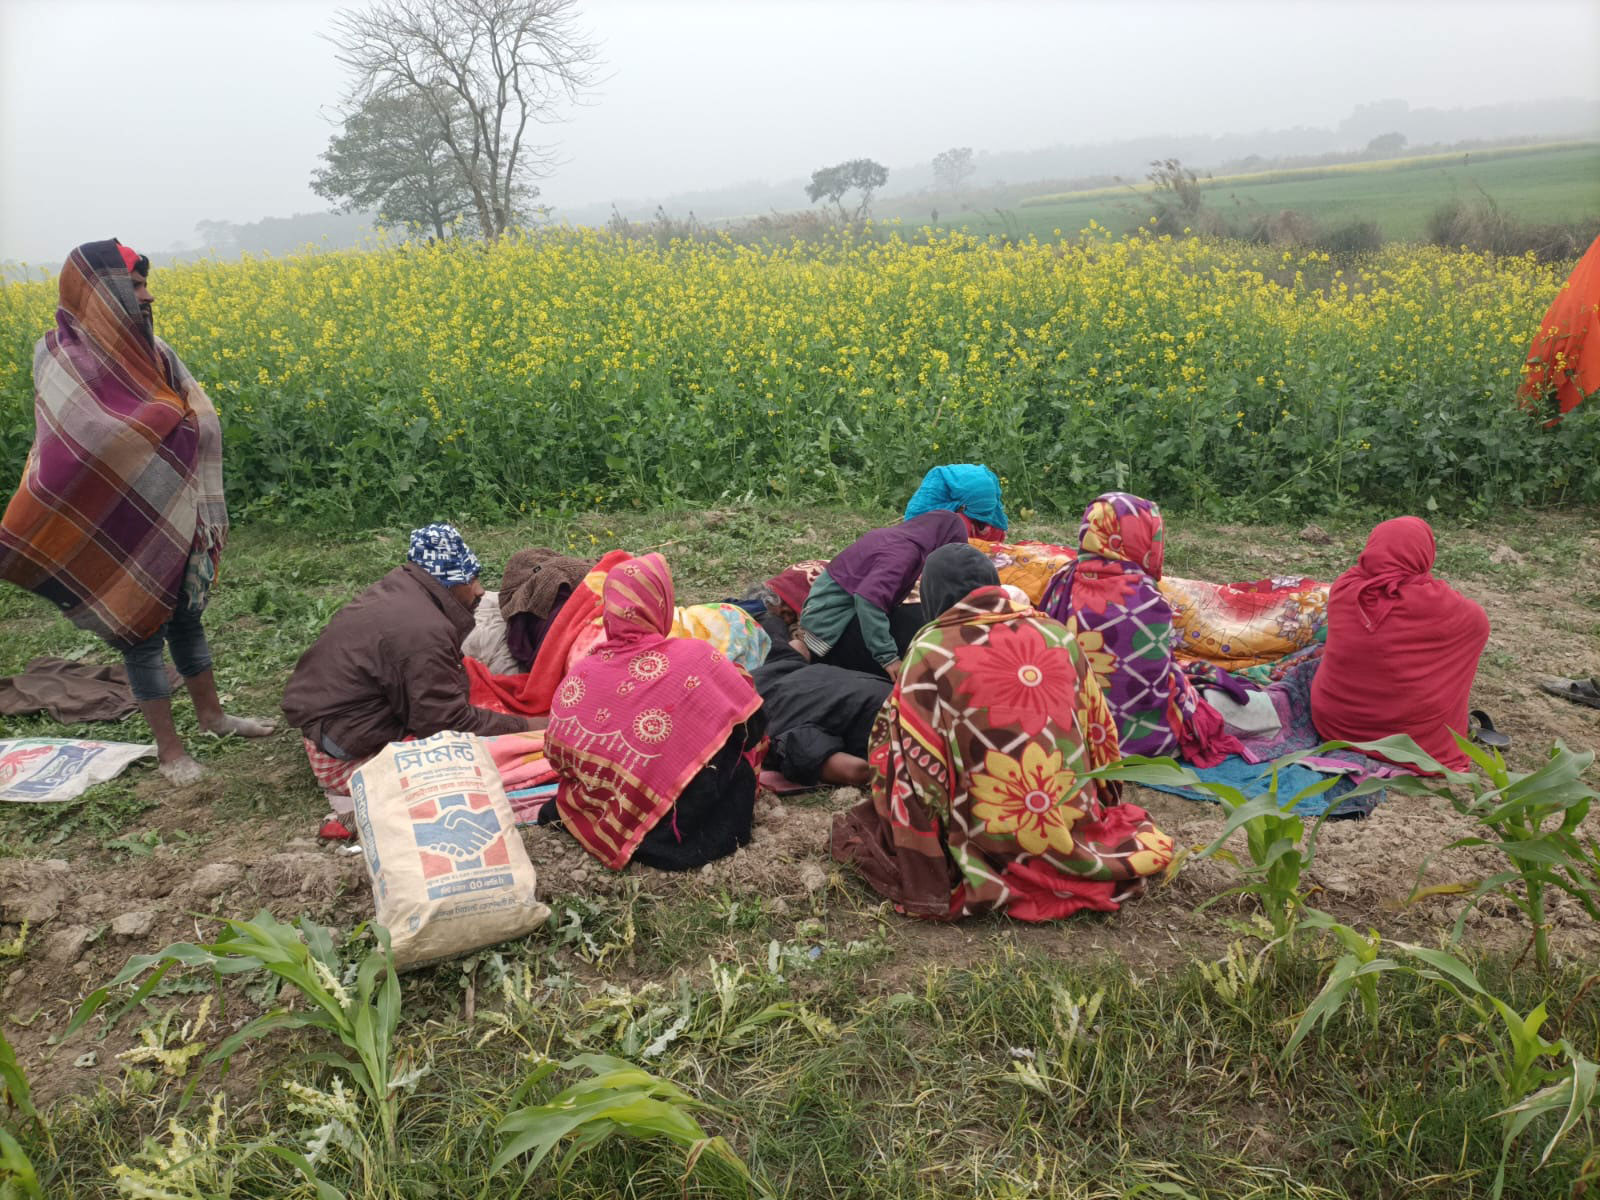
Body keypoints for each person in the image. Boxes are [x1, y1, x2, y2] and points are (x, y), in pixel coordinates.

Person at [0, 240, 274, 784]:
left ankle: (214, 716)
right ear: (101, 292)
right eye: (136, 286)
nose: (146, 297)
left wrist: (175, 424)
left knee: (187, 617)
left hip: (174, 508)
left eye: (146, 285)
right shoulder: (60, 351)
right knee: (142, 630)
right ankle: (171, 751)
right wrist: (166, 422)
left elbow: (193, 413)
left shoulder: (154, 350)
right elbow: (86, 434)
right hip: (107, 514)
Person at [831, 544, 1174, 920]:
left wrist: (919, 838)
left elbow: (915, 765)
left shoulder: (931, 649)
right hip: (1069, 815)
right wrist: (1102, 803)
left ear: (932, 594)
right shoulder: (1058, 634)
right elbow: (1101, 737)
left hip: (988, 828)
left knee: (892, 738)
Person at [546, 553, 766, 871]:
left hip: (592, 811)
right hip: (670, 835)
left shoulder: (582, 670)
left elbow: (557, 754)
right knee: (735, 718)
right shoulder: (697, 657)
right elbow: (753, 726)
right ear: (661, 604)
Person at [282, 524, 536, 783]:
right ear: (448, 584)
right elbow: (445, 723)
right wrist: (529, 727)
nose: (479, 590)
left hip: (329, 718)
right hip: (342, 751)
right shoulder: (424, 633)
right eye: (470, 580)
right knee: (473, 766)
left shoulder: (403, 585)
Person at [1041, 492, 1241, 767]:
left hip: (1069, 735)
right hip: (1142, 740)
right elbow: (1155, 680)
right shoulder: (1143, 598)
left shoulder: (1062, 581)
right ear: (1136, 537)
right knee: (1240, 707)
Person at [1311, 517, 1489, 771]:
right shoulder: (1460, 613)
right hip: (1413, 746)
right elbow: (1477, 631)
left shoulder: (1346, 588)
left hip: (1337, 727)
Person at [797, 510, 971, 678]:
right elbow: (868, 600)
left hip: (822, 608)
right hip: (829, 625)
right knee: (913, 636)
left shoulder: (892, 537)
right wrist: (888, 659)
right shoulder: (905, 553)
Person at [751, 613, 891, 788]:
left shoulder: (771, 732)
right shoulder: (769, 669)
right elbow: (797, 645)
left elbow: (856, 772)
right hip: (906, 696)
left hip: (900, 728)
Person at [903, 464, 1009, 540]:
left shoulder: (984, 493)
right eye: (979, 515)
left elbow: (995, 521)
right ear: (962, 507)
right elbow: (916, 529)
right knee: (959, 524)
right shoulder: (928, 503)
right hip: (943, 547)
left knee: (993, 525)